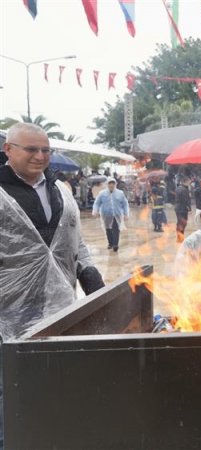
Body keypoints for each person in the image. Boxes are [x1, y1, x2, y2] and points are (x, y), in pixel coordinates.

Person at [0, 123, 105, 448]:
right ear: (9, 149)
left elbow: (75, 241)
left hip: (59, 306)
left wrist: (93, 281)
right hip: (8, 314)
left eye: (45, 150)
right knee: (10, 389)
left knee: (56, 379)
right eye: (31, 149)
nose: (40, 156)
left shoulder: (60, 190)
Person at [92, 177, 130, 252]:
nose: (111, 185)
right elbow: (97, 203)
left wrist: (126, 214)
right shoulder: (102, 194)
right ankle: (111, 243)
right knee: (108, 229)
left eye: (113, 183)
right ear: (107, 184)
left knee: (116, 229)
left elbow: (125, 204)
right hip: (106, 215)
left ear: (115, 184)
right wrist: (95, 211)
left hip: (117, 215)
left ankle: (115, 244)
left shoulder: (120, 193)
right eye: (110, 183)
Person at [174, 176, 192, 243]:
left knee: (179, 223)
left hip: (177, 207)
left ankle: (179, 237)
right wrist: (189, 208)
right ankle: (180, 238)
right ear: (185, 182)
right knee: (183, 223)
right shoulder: (184, 190)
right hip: (182, 208)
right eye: (189, 182)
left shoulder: (177, 188)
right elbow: (186, 200)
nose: (190, 183)